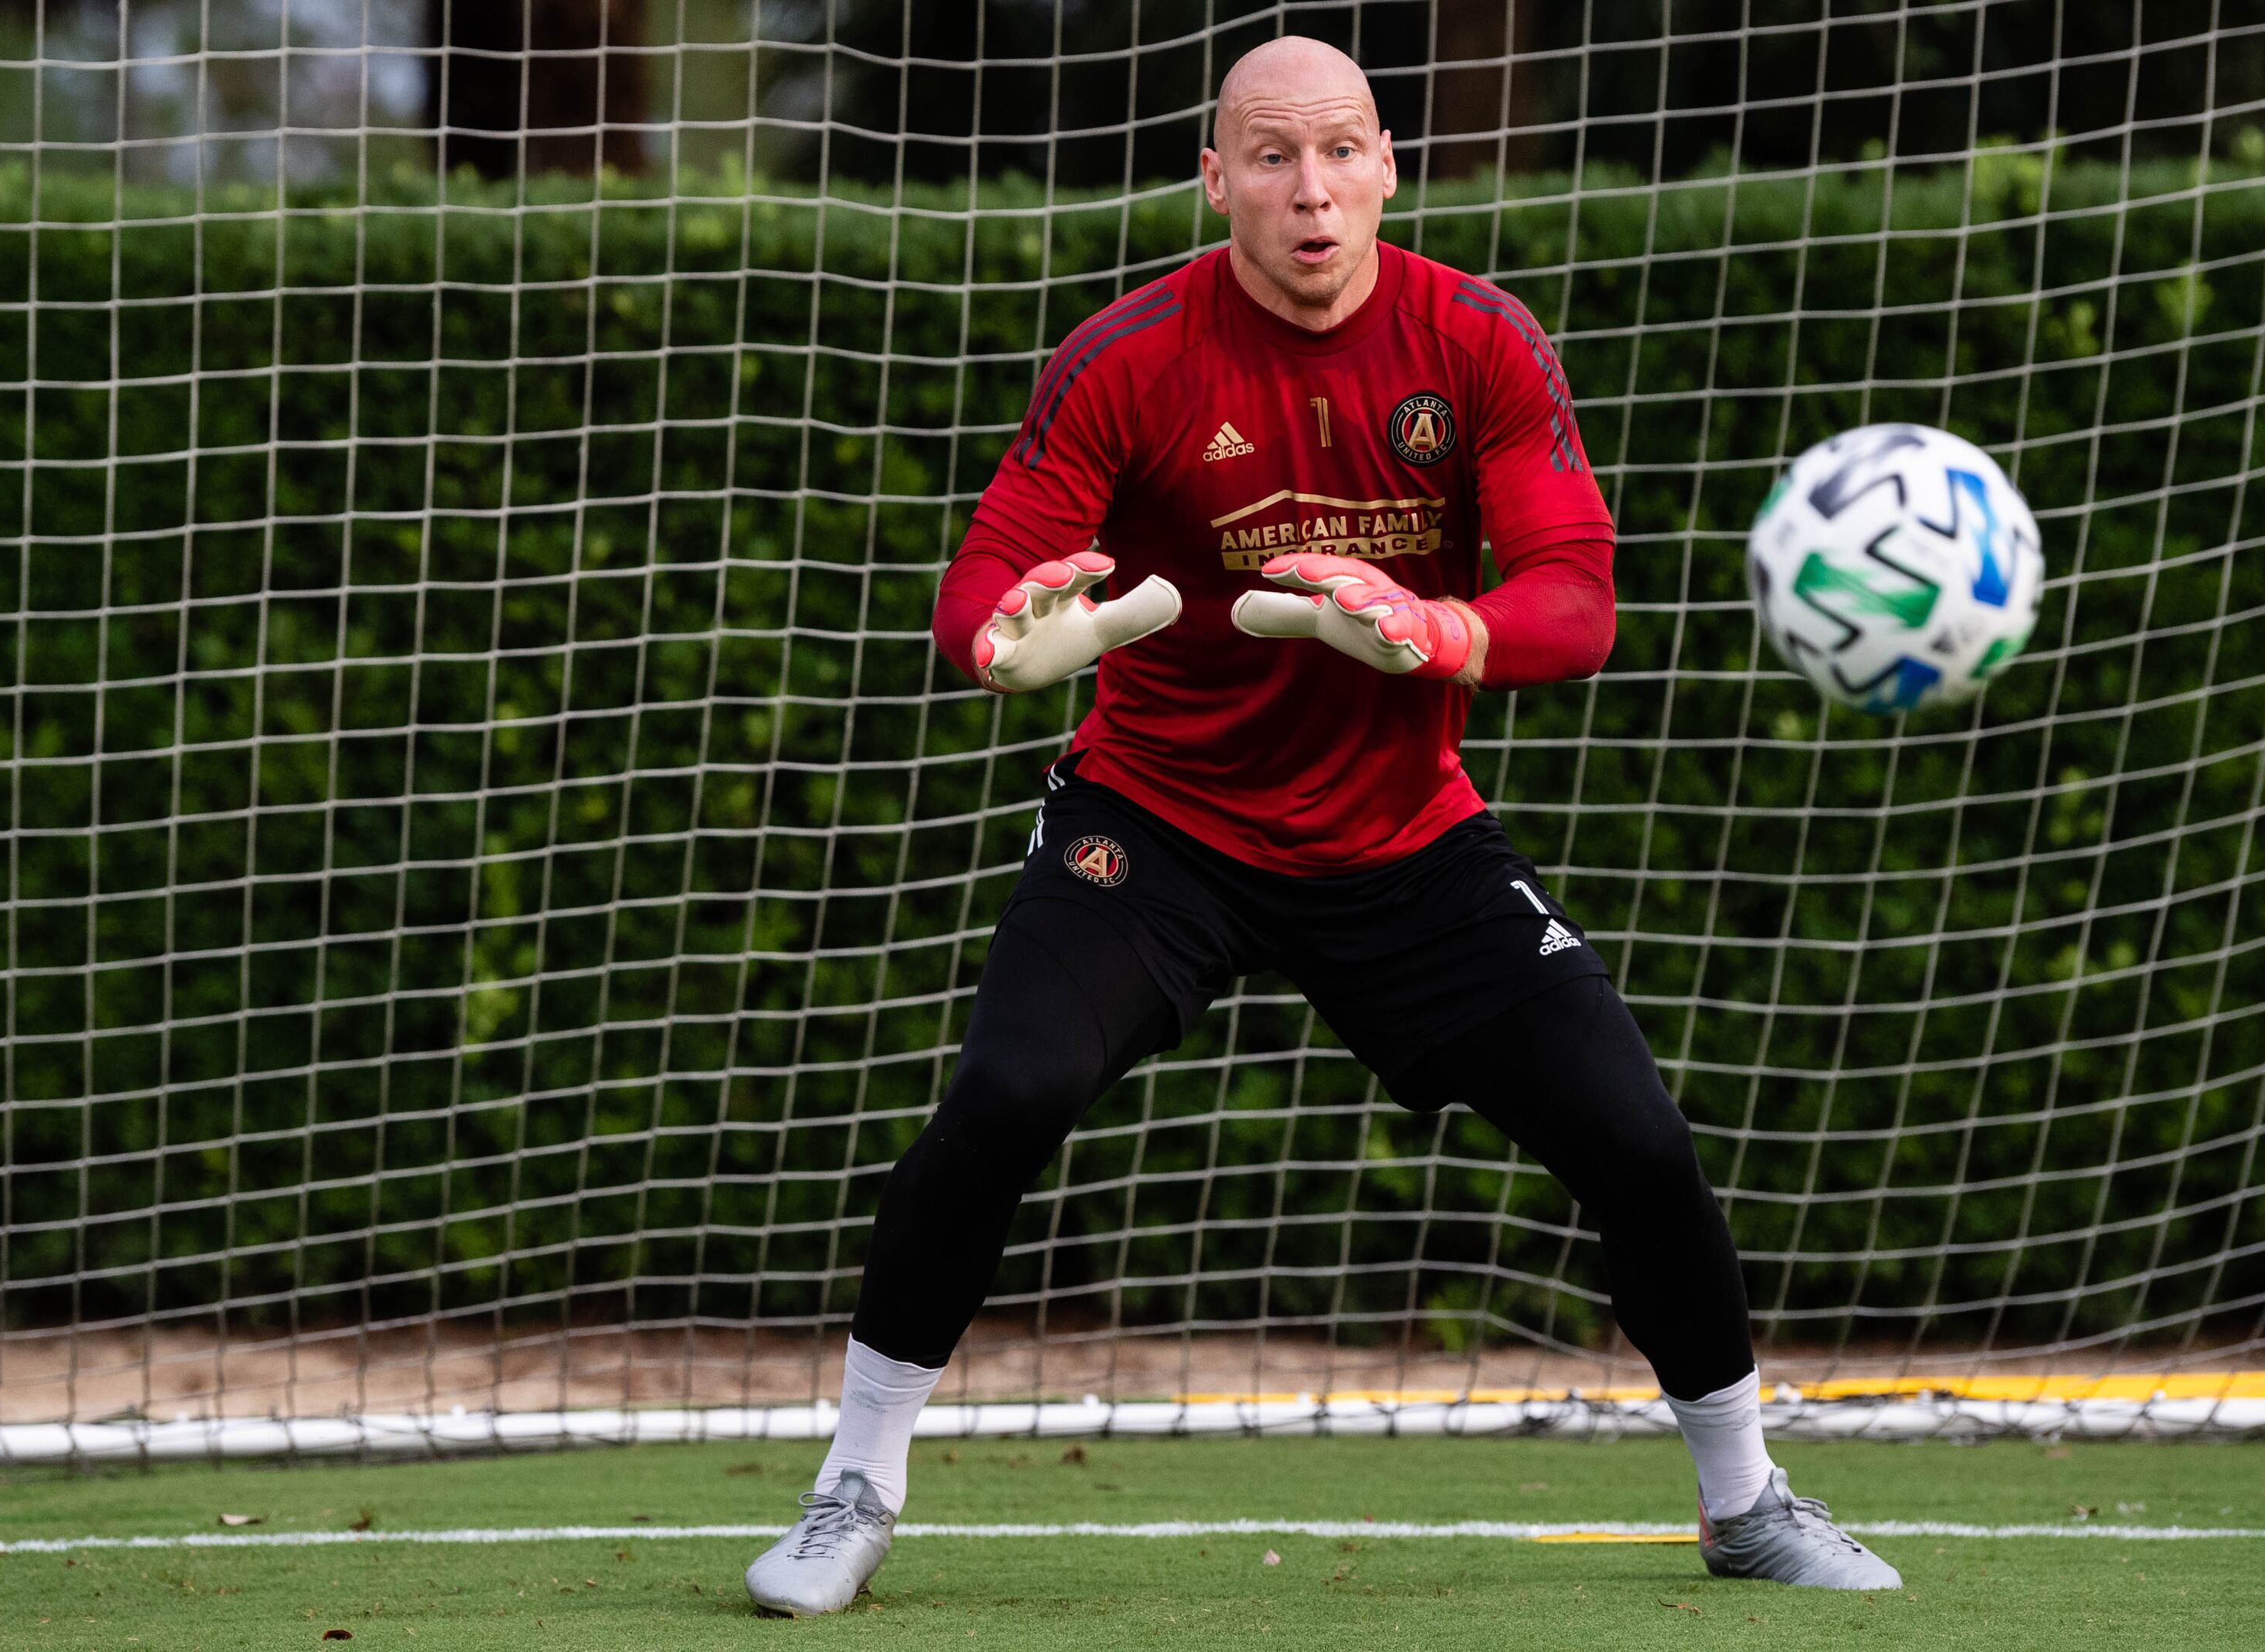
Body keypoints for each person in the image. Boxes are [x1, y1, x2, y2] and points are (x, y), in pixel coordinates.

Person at [743, 35, 1901, 1618]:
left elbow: (1576, 596)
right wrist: (1017, 635)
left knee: (1636, 1136)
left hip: (1403, 837)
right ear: (1214, 178)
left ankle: (1748, 1500)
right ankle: (851, 1491)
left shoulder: (1477, 339)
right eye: (1271, 158)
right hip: (1158, 823)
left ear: (1387, 168)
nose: (1311, 190)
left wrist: (1440, 631)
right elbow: (985, 590)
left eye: (1342, 152)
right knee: (1009, 1088)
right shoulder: (1125, 356)